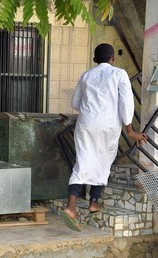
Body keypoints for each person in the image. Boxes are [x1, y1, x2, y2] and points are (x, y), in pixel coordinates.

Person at [60, 43, 147, 231]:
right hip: (108, 125)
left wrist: (90, 108)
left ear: (94, 60)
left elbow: (75, 102)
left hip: (85, 124)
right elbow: (126, 103)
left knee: (82, 161)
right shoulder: (119, 74)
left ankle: (71, 207)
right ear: (112, 58)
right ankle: (94, 202)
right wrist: (130, 129)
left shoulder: (86, 75)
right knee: (103, 162)